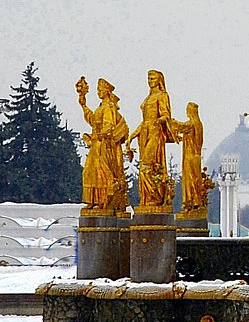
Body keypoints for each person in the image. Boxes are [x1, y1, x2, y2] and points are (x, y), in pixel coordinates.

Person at [76, 77, 130, 214]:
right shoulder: (101, 107)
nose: (98, 92)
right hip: (96, 144)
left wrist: (103, 133)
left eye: (100, 90)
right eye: (97, 90)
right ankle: (93, 200)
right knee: (89, 172)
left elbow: (109, 125)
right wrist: (83, 105)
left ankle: (102, 201)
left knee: (102, 173)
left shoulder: (109, 106)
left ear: (107, 91)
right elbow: (94, 120)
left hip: (103, 145)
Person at [127, 70, 175, 207]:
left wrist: (158, 121)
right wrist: (132, 136)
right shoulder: (148, 97)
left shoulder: (162, 95)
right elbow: (144, 121)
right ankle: (147, 199)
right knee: (144, 164)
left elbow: (166, 115)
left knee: (148, 165)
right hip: (144, 132)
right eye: (148, 78)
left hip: (155, 132)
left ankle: (155, 197)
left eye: (153, 78)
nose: (150, 81)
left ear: (159, 80)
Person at [173, 102, 205, 210]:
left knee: (190, 179)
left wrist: (167, 119)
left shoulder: (191, 124)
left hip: (190, 156)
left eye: (187, 110)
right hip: (197, 157)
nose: (186, 112)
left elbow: (179, 126)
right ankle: (196, 201)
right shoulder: (199, 124)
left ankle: (191, 200)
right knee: (196, 179)